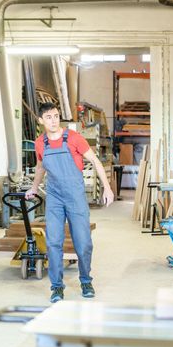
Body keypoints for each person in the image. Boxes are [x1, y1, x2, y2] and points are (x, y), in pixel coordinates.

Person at [25, 102, 114, 303]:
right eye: (48, 117)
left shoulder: (74, 138)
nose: (53, 120)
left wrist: (107, 188)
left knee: (83, 243)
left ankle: (85, 280)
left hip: (75, 196)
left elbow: (95, 161)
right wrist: (33, 187)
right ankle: (56, 287)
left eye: (56, 116)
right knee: (53, 242)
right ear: (41, 121)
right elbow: (40, 168)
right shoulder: (40, 143)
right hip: (54, 198)